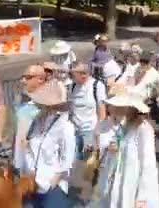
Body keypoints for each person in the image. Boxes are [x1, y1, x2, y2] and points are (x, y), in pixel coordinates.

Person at [92, 93, 159, 208]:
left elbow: (148, 165)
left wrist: (142, 196)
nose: (114, 108)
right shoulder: (125, 127)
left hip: (133, 184)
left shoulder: (144, 130)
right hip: (118, 180)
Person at [22, 77, 76, 207]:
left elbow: (68, 157)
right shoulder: (37, 122)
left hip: (51, 185)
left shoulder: (65, 126)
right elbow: (31, 148)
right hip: (33, 183)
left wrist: (56, 179)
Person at [69, 63, 108, 160]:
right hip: (75, 130)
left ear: (84, 74)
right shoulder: (72, 86)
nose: (70, 77)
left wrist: (98, 132)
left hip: (90, 131)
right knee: (74, 162)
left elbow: (102, 111)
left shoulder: (97, 86)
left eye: (73, 75)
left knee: (88, 163)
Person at [13, 65, 47, 174]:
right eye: (23, 77)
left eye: (28, 77)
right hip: (19, 158)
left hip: (36, 162)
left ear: (40, 79)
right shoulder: (21, 99)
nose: (23, 81)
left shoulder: (47, 102)